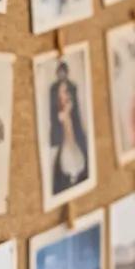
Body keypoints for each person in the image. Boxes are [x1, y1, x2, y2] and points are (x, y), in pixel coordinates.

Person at [49, 59, 88, 194]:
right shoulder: (54, 89)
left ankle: (75, 170)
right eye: (60, 73)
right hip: (64, 128)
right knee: (66, 149)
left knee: (74, 146)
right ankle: (71, 171)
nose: (61, 75)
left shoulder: (72, 87)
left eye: (63, 72)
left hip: (71, 126)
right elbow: (54, 112)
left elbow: (74, 110)